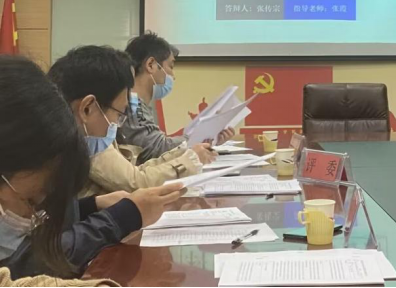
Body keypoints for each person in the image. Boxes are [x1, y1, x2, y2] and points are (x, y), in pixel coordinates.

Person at [0, 56, 183, 286]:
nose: (33, 218)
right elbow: (27, 263)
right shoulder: (46, 144)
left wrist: (91, 206)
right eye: (29, 200)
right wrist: (122, 217)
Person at [48, 46, 207, 197]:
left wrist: (96, 204)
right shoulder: (85, 143)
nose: (118, 125)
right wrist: (188, 160)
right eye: (119, 115)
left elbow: (134, 171)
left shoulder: (88, 135)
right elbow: (136, 182)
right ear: (87, 109)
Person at [121, 32, 233, 165]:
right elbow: (157, 149)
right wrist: (201, 136)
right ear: (151, 65)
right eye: (170, 66)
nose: (173, 76)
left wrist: (207, 138)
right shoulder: (133, 105)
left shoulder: (138, 103)